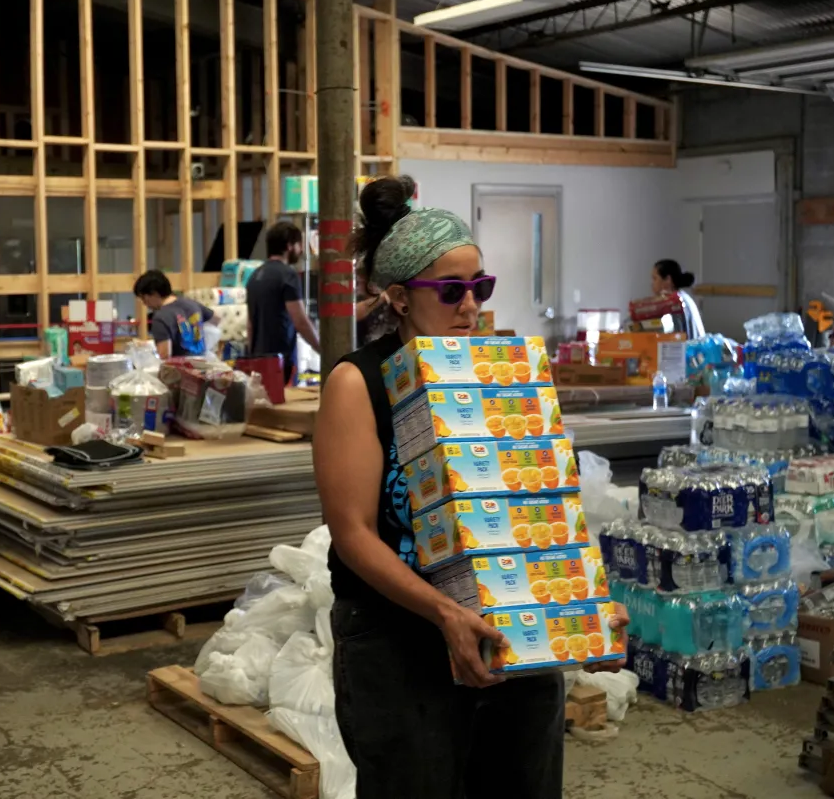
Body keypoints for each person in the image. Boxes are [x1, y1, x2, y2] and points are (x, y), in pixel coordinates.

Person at [313, 176, 628, 799]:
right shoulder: (359, 383)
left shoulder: (495, 371)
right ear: (399, 298)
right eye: (451, 291)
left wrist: (583, 608)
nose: (471, 307)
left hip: (505, 624)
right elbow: (352, 534)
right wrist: (445, 614)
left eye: (480, 287)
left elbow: (536, 504)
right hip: (399, 636)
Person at [246, 221, 320, 383]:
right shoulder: (288, 275)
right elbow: (300, 321)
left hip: (259, 361)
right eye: (299, 244)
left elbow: (250, 324)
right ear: (289, 246)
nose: (300, 250)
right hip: (281, 363)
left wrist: (252, 358)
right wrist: (322, 349)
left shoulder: (254, 276)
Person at [133, 269, 218, 359]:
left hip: (180, 369)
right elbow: (216, 319)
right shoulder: (191, 303)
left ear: (154, 293)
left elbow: (165, 355)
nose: (144, 303)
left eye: (143, 298)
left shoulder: (160, 317)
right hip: (203, 365)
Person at [652, 258, 706, 338]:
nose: (652, 284)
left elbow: (674, 339)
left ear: (668, 279)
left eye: (655, 278)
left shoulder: (673, 304)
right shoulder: (684, 297)